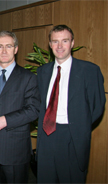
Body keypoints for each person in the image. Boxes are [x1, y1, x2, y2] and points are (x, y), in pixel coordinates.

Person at [36, 25, 106, 183]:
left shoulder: (89, 71)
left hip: (73, 137)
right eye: (55, 41)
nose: (59, 46)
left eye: (64, 41)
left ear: (72, 43)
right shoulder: (42, 72)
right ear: (50, 44)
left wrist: (80, 125)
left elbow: (98, 106)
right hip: (46, 136)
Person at [0, 31, 40, 183]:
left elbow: (33, 110)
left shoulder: (28, 77)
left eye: (8, 46)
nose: (4, 51)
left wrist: (6, 120)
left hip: (15, 149)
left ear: (16, 49)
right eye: (0, 46)